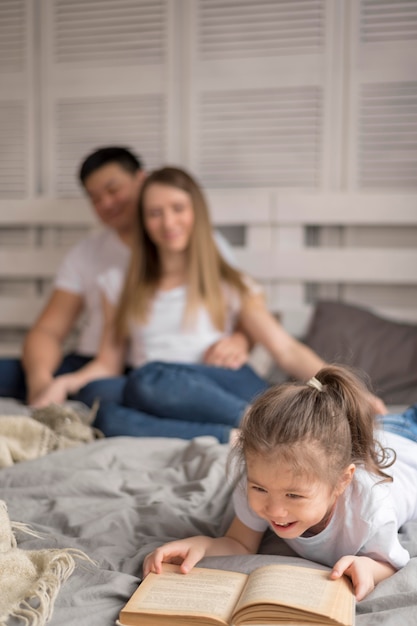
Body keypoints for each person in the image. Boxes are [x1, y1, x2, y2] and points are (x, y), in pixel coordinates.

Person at [31, 166, 385, 442]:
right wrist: (65, 382)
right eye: (155, 213)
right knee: (103, 411)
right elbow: (108, 361)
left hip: (221, 386)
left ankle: (266, 419)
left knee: (147, 378)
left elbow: (285, 349)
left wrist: (346, 391)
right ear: (143, 221)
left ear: (195, 212)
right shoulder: (118, 285)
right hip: (154, 390)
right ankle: (235, 437)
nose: (168, 222)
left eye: (177, 209)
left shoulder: (227, 282)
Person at [143, 365, 417, 600]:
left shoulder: (370, 509)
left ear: (342, 482)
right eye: (259, 489)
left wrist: (369, 566)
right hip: (363, 436)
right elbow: (240, 544)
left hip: (408, 441)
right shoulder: (263, 478)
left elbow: (390, 563)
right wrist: (201, 546)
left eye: (294, 496)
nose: (274, 510)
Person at [0, 148, 246, 405]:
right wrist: (40, 381)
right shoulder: (87, 254)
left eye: (113, 190)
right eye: (95, 199)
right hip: (96, 362)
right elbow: (48, 330)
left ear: (142, 181)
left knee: (119, 392)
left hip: (155, 369)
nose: (106, 203)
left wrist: (240, 340)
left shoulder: (197, 244)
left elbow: (244, 311)